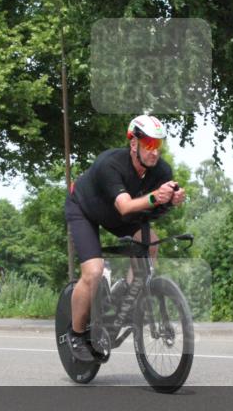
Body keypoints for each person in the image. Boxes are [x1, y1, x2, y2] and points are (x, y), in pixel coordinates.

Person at [64, 114, 186, 361]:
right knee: (94, 271)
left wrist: (170, 202)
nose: (154, 151)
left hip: (119, 216)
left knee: (150, 244)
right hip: (85, 209)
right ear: (133, 144)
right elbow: (126, 206)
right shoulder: (110, 163)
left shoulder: (162, 171)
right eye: (148, 144)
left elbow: (153, 211)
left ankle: (128, 297)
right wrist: (155, 197)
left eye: (158, 145)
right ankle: (76, 334)